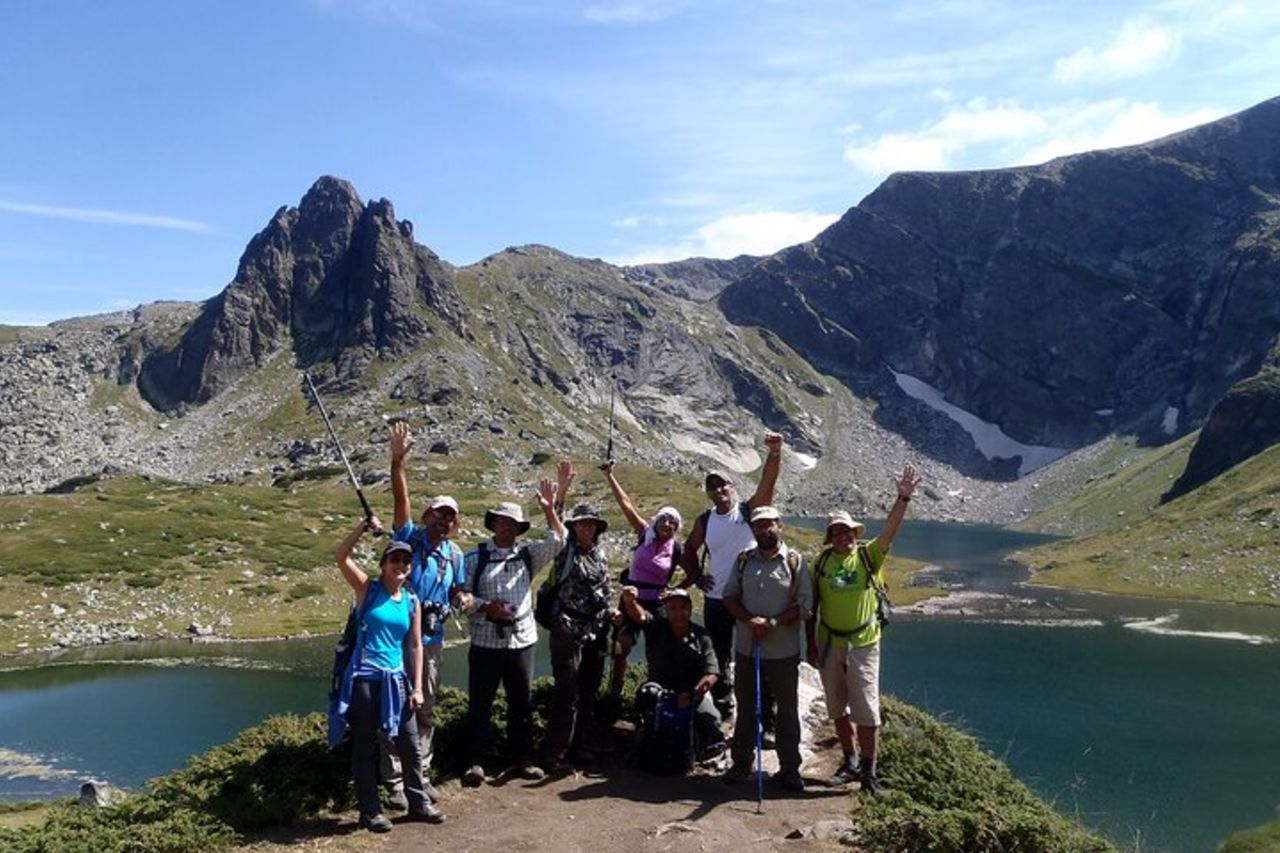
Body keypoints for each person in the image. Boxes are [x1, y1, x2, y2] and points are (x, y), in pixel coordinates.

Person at [806, 463, 921, 797]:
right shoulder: (821, 563)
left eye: (848, 531)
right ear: (830, 537)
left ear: (855, 533)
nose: (844, 536)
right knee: (837, 707)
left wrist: (903, 497)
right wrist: (810, 644)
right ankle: (850, 761)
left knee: (867, 711)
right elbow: (811, 607)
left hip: (864, 643)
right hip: (829, 643)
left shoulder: (870, 555)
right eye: (837, 532)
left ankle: (869, 775)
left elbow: (890, 530)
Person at [332, 516, 442, 833]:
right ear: (383, 563)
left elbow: (416, 646)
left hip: (397, 680)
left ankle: (419, 804)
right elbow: (341, 557)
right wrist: (360, 528)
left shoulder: (411, 600)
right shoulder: (368, 589)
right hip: (365, 679)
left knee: (410, 743)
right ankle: (370, 812)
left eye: (406, 560)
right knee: (365, 746)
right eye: (395, 559)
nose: (401, 565)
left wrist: (418, 687)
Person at [459, 474, 568, 787]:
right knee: (480, 704)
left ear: (519, 528)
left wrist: (549, 509)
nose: (507, 527)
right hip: (484, 642)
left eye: (513, 523)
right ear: (493, 524)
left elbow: (558, 541)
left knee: (522, 703)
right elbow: (460, 598)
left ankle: (522, 759)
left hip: (522, 642)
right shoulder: (474, 558)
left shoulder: (527, 554)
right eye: (502, 521)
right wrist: (484, 607)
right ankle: (475, 762)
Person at [378, 421, 465, 810]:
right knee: (391, 708)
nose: (442, 521)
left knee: (425, 708)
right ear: (428, 515)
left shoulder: (456, 555)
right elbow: (401, 503)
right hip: (396, 640)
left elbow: (458, 588)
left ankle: (420, 775)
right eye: (438, 514)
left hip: (430, 642)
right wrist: (398, 462)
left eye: (449, 517)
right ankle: (394, 781)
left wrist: (463, 599)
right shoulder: (410, 538)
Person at [679, 433, 784, 714]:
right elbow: (687, 550)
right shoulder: (705, 520)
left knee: (757, 654)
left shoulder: (748, 511)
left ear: (732, 486)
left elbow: (768, 482)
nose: (718, 490)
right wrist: (698, 578)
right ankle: (724, 706)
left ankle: (765, 711)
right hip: (716, 598)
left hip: (749, 597)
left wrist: (775, 453)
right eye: (711, 486)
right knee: (718, 655)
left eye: (722, 484)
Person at [722, 505, 811, 792]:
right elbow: (729, 596)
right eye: (760, 525)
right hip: (748, 648)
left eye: (770, 524)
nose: (765, 529)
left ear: (779, 526)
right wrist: (750, 621)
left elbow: (804, 605)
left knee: (787, 710)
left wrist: (771, 622)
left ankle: (789, 768)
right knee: (746, 706)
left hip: (783, 651)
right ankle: (741, 763)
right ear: (754, 529)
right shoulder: (744, 560)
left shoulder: (795, 562)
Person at [540, 503, 617, 773]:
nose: (587, 527)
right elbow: (555, 527)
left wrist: (612, 611)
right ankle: (554, 756)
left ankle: (580, 747)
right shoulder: (566, 550)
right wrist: (554, 503)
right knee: (567, 691)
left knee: (588, 691)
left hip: (594, 630)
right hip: (567, 627)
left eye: (592, 524)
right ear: (574, 526)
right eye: (582, 523)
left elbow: (605, 589)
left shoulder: (600, 555)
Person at [598, 460, 683, 697]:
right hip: (630, 598)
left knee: (659, 648)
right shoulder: (644, 533)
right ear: (657, 520)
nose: (668, 524)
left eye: (673, 522)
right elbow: (626, 504)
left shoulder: (675, 548)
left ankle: (657, 691)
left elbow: (692, 571)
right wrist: (609, 476)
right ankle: (615, 690)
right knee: (622, 645)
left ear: (677, 528)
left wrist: (679, 589)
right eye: (664, 519)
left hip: (657, 603)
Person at [618, 585, 726, 759]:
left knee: (712, 719)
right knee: (646, 696)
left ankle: (703, 747)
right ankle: (644, 737)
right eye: (673, 608)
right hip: (660, 691)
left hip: (691, 691)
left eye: (683, 608)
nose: (678, 613)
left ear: (690, 609)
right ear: (666, 610)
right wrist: (629, 601)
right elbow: (639, 615)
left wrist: (692, 695)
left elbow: (712, 673)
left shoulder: (702, 636)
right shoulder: (656, 627)